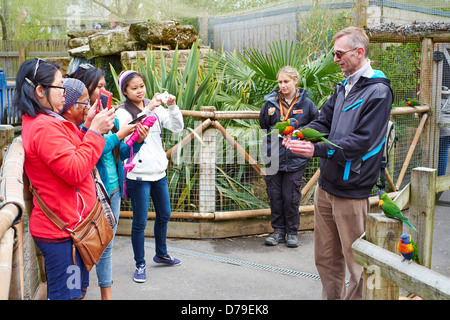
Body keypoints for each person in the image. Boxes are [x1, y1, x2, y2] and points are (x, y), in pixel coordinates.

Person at [284, 27, 393, 299]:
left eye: (339, 53)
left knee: (357, 264)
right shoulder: (344, 87)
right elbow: (323, 120)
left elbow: (361, 142)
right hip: (326, 187)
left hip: (352, 188)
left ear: (360, 52)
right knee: (326, 258)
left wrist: (316, 149)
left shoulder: (378, 92)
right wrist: (298, 135)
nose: (335, 59)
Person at [14, 58, 115, 300]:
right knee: (66, 296)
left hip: (70, 229)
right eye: (59, 86)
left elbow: (67, 154)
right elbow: (74, 171)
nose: (64, 92)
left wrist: (86, 128)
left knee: (75, 292)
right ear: (40, 90)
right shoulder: (44, 127)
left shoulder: (44, 121)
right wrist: (94, 133)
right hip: (62, 235)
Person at [68, 65, 149, 299]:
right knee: (85, 244)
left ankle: (107, 294)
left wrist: (137, 140)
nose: (105, 90)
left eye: (105, 85)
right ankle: (86, 293)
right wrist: (119, 134)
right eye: (100, 86)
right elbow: (97, 150)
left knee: (107, 243)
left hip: (114, 188)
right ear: (86, 90)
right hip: (94, 191)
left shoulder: (106, 114)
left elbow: (119, 153)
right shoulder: (79, 121)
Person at [115, 70, 184, 283]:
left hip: (158, 172)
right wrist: (148, 108)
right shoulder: (122, 112)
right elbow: (132, 129)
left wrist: (172, 106)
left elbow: (177, 127)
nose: (139, 91)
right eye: (133, 88)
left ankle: (161, 253)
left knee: (164, 214)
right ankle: (140, 263)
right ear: (125, 91)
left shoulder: (154, 106)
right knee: (139, 222)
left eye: (141, 86)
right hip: (137, 175)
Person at [259, 66, 318, 247]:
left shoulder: (306, 104)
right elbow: (263, 126)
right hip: (273, 156)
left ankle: (292, 232)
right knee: (275, 194)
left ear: (295, 81)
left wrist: (301, 135)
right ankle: (278, 231)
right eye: (280, 82)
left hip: (295, 156)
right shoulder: (270, 104)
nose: (282, 85)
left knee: (291, 195)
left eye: (286, 81)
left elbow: (317, 125)